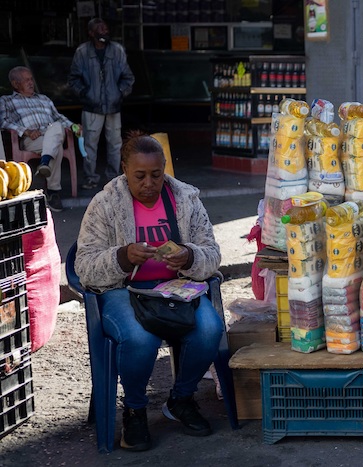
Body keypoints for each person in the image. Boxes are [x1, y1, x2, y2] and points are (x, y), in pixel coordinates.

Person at [74, 132, 223, 452]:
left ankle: (181, 399)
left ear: (165, 169)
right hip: (123, 290)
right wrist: (122, 257)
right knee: (140, 338)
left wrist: (189, 256)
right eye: (139, 176)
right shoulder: (105, 204)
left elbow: (212, 252)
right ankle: (135, 410)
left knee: (210, 329)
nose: (148, 184)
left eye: (156, 175)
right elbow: (83, 265)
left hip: (175, 288)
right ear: (124, 170)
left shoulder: (185, 199)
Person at [0, 66, 80, 212]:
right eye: (26, 80)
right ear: (15, 84)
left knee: (56, 126)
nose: (31, 83)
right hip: (33, 140)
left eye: (31, 79)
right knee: (57, 147)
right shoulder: (7, 101)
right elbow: (3, 121)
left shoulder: (44, 99)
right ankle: (53, 191)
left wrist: (74, 126)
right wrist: (26, 131)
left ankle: (45, 162)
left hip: (52, 134)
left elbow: (59, 118)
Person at [69, 17, 135, 190]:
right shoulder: (82, 52)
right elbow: (73, 79)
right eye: (99, 28)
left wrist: (119, 93)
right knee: (89, 144)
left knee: (115, 144)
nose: (104, 31)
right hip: (91, 107)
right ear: (91, 33)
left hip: (114, 107)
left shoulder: (117, 50)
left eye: (105, 28)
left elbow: (128, 78)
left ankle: (114, 178)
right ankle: (90, 178)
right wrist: (85, 94)